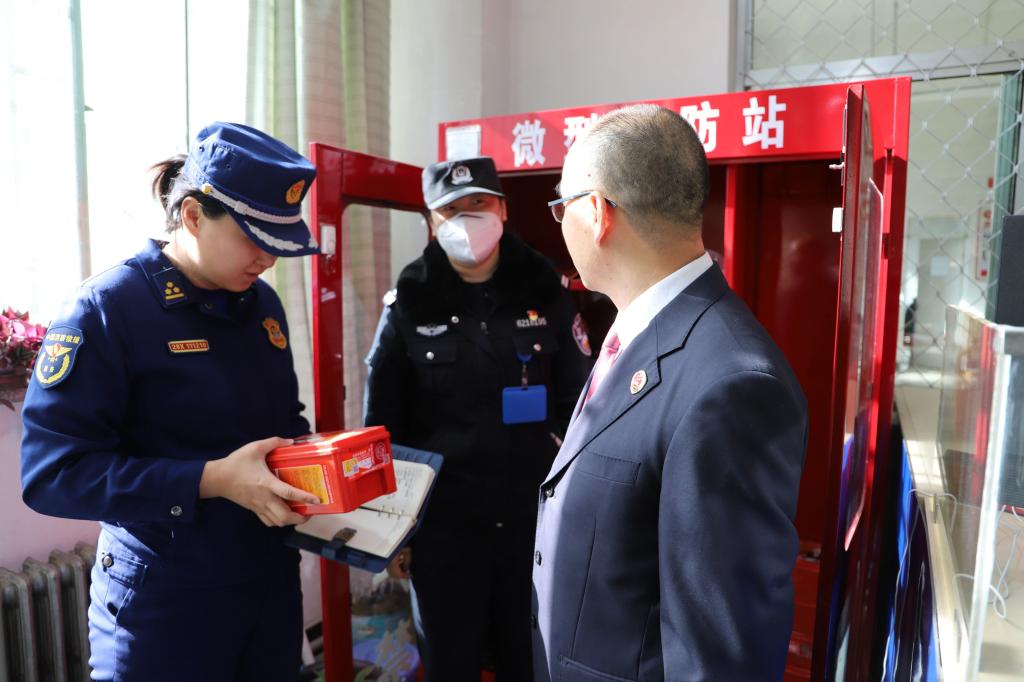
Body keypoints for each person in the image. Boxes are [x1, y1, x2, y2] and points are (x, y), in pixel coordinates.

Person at [20, 122, 324, 682]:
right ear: (192, 216)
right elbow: (53, 476)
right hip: (166, 600)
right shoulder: (108, 309)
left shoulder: (261, 305)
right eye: (254, 239)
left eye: (278, 245)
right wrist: (212, 479)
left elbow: (285, 423)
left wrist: (327, 469)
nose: (268, 260)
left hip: (267, 583)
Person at [532, 105, 809, 681]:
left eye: (562, 207)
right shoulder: (636, 331)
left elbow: (720, 657)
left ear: (597, 213)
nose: (560, 223)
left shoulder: (730, 385)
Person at [363, 156, 592, 681]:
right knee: (451, 664)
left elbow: (583, 404)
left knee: (531, 662)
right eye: (451, 210)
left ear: (503, 210)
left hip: (534, 524)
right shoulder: (409, 303)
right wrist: (394, 531)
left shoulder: (546, 290)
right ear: (431, 221)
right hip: (444, 529)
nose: (467, 219)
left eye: (479, 204)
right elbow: (383, 427)